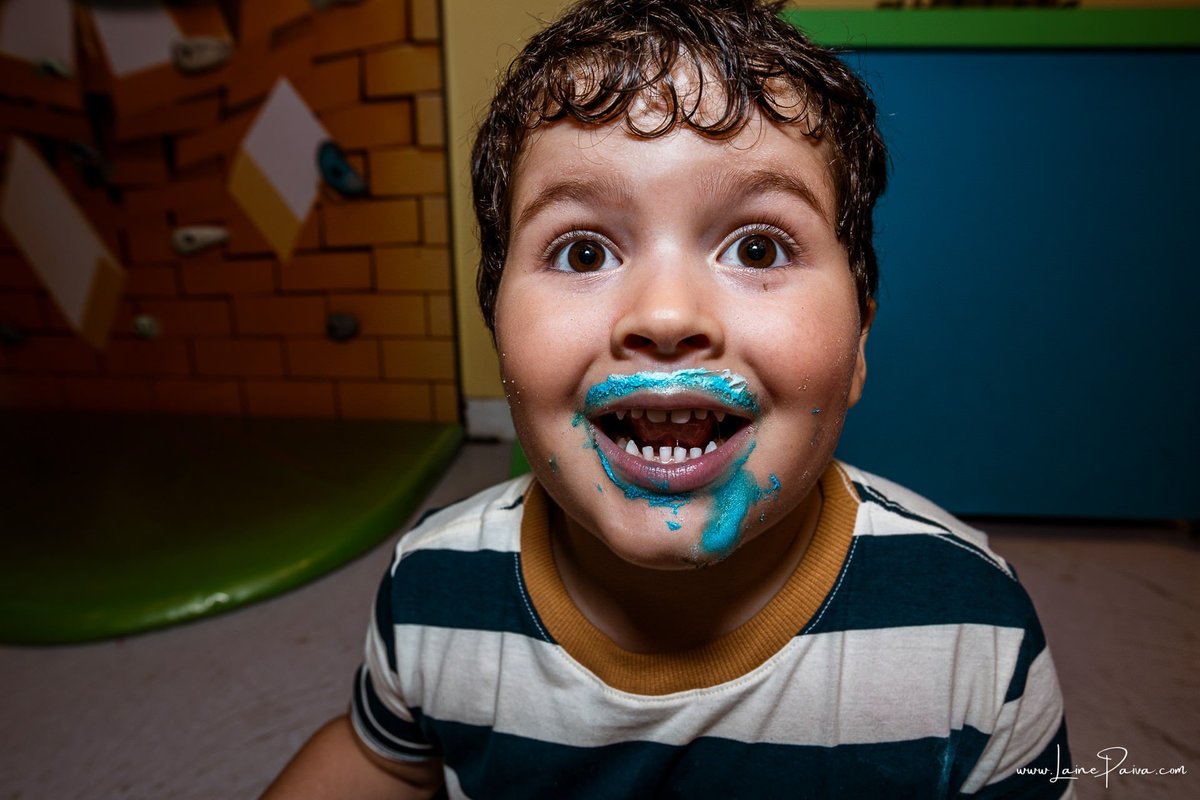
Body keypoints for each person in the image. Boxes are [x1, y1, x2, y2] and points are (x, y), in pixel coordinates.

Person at [263, 0, 1071, 797]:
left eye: (757, 246)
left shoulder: (974, 632)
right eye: (583, 252)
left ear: (859, 341)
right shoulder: (431, 587)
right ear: (497, 332)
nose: (665, 316)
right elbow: (382, 761)